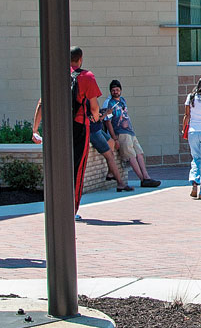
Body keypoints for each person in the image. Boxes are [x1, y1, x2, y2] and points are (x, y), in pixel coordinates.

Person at [31, 47, 131, 218]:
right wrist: (95, 119)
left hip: (57, 128)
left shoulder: (54, 74)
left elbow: (41, 104)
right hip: (78, 127)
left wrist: (35, 130)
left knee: (56, 169)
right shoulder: (86, 77)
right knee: (76, 169)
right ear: (80, 59)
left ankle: (54, 208)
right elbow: (94, 107)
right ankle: (71, 211)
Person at [104, 79, 161, 188]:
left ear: (121, 90)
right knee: (131, 156)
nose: (115, 92)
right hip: (120, 133)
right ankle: (142, 179)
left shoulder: (122, 100)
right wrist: (114, 138)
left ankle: (146, 176)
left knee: (139, 153)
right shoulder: (109, 103)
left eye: (117, 89)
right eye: (113, 90)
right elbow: (107, 121)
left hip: (130, 132)